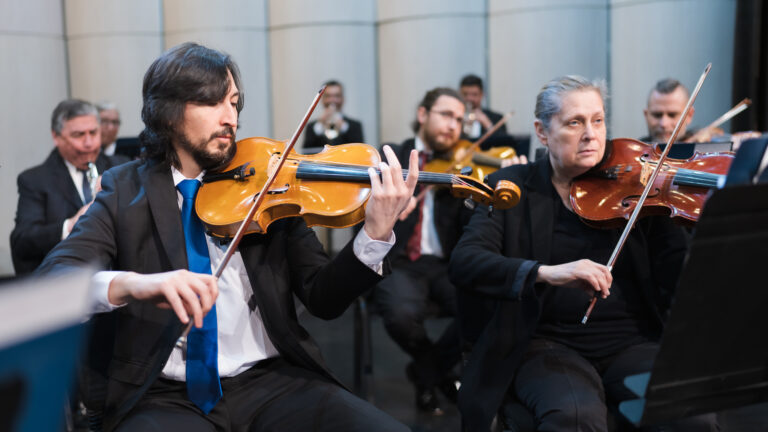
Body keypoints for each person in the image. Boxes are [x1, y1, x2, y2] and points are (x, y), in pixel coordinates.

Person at [36, 42, 415, 432]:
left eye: (234, 103)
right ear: (167, 113)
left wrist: (375, 233)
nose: (230, 117)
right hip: (165, 395)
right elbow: (56, 278)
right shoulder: (123, 189)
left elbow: (324, 298)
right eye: (211, 102)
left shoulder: (267, 183)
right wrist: (134, 285)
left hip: (272, 382)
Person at [449, 76, 718, 431]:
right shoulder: (511, 187)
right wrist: (546, 272)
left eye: (598, 120)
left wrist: (708, 226)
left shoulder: (640, 189)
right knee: (575, 417)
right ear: (542, 132)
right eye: (575, 122)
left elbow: (677, 273)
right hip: (545, 345)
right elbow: (465, 261)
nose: (591, 134)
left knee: (693, 417)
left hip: (633, 342)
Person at [375, 87, 468, 415]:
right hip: (399, 261)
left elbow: (472, 227)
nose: (453, 125)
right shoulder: (390, 158)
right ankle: (440, 373)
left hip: (445, 264)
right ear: (423, 115)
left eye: (459, 119)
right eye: (446, 115)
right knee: (401, 316)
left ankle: (425, 373)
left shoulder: (463, 166)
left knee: (487, 307)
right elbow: (364, 218)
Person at [10, 99, 124, 275]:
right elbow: (22, 241)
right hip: (65, 281)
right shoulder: (35, 180)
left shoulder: (121, 168)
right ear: (56, 137)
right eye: (78, 135)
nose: (89, 143)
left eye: (93, 133)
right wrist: (70, 225)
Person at [303, 80, 364, 148]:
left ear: (343, 99)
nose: (332, 100)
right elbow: (307, 151)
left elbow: (359, 150)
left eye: (337, 96)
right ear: (322, 99)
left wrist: (343, 128)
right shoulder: (312, 127)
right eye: (328, 96)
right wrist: (319, 126)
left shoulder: (355, 126)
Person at [459, 74, 507, 140]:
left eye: (474, 94)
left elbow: (504, 142)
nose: (469, 98)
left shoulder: (497, 118)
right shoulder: (455, 118)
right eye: (465, 94)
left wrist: (487, 124)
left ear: (481, 95)